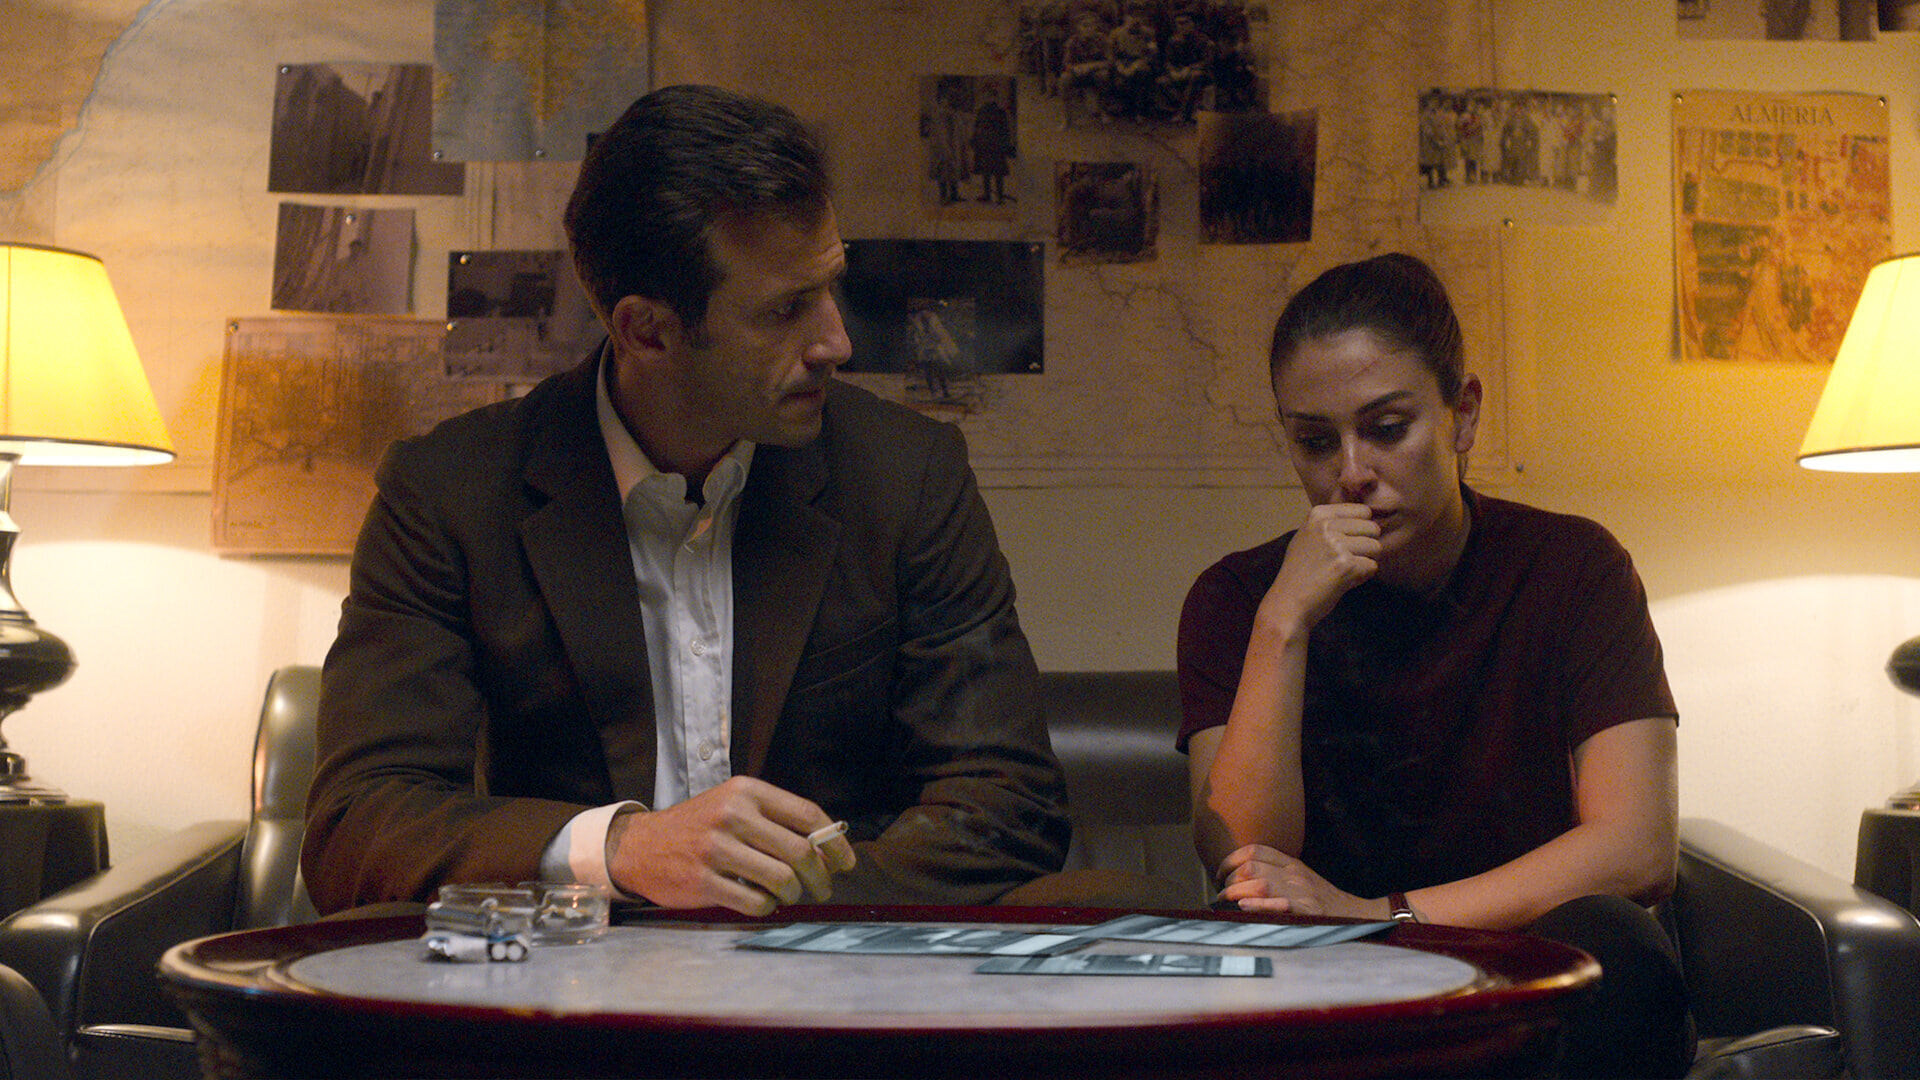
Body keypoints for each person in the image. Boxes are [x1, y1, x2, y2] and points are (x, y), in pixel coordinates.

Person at [302, 85, 1074, 919]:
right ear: (646, 330)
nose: (837, 342)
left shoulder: (906, 474)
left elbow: (1009, 808)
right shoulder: (449, 492)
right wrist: (622, 851)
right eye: (786, 310)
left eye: (829, 288)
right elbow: (359, 826)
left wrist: (758, 899)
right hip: (569, 976)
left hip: (832, 963)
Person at [1176, 253, 1692, 1077]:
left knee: (1617, 945)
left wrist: (1382, 916)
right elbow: (1244, 856)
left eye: (1386, 429)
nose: (1350, 473)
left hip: (1524, 964)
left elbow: (1637, 848)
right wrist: (1283, 623)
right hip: (1329, 983)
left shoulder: (1572, 568)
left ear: (1463, 417)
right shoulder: (1237, 597)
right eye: (1315, 442)